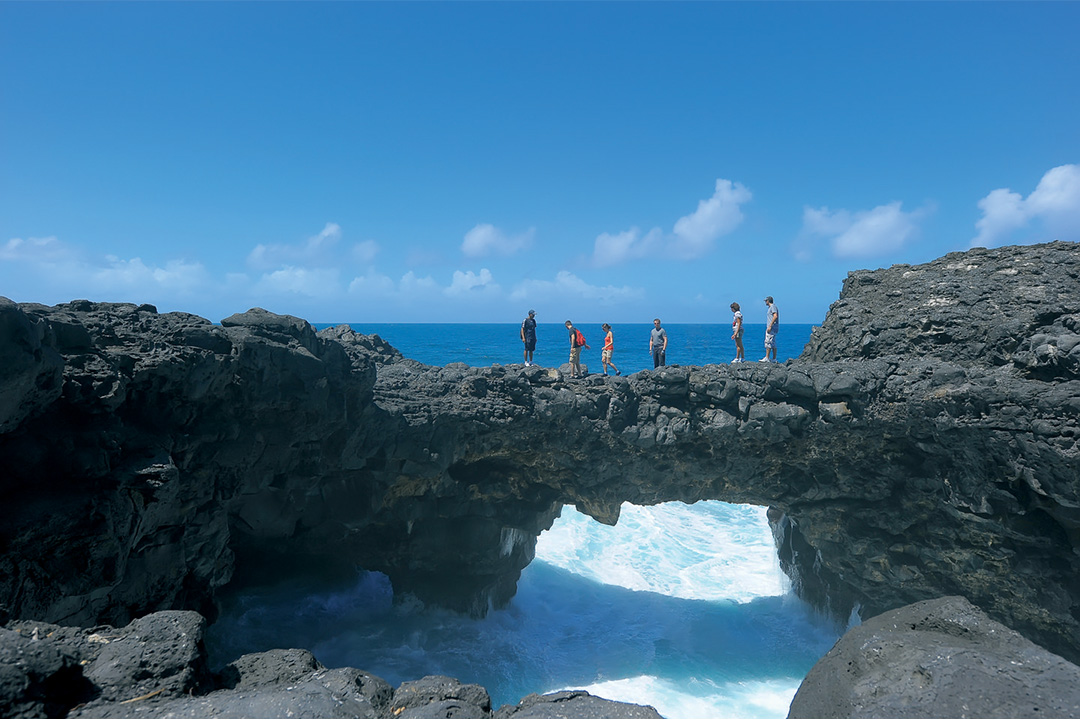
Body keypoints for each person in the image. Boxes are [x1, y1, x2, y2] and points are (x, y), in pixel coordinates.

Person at [761, 296, 779, 362]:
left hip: (771, 327)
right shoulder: (771, 307)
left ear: (768, 301)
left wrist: (770, 326)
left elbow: (775, 316)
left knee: (768, 342)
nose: (765, 302)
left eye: (766, 301)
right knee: (773, 343)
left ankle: (767, 357)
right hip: (773, 327)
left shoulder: (773, 307)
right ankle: (774, 358)